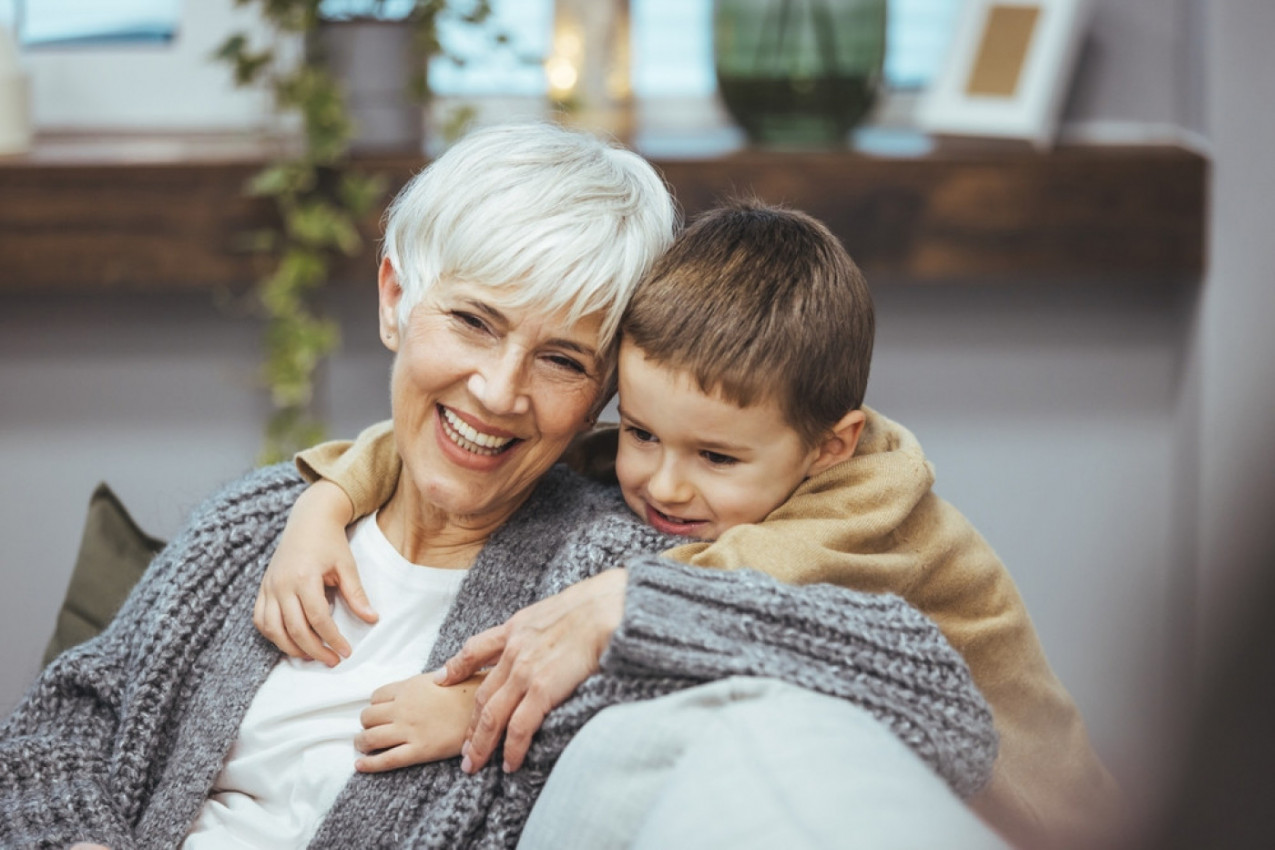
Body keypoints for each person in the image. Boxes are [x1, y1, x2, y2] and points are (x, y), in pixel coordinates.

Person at [0, 125, 997, 849]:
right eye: (473, 322)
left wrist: (629, 608)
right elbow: (68, 718)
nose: (500, 390)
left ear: (607, 390)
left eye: (562, 359)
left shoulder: (612, 561)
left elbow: (936, 701)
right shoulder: (260, 522)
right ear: (397, 299)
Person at [263, 200, 1124, 848]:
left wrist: (476, 705)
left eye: (714, 458)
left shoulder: (856, 515)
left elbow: (700, 640)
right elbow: (511, 442)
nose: (660, 484)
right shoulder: (697, 455)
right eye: (639, 431)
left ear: (832, 445)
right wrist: (328, 498)